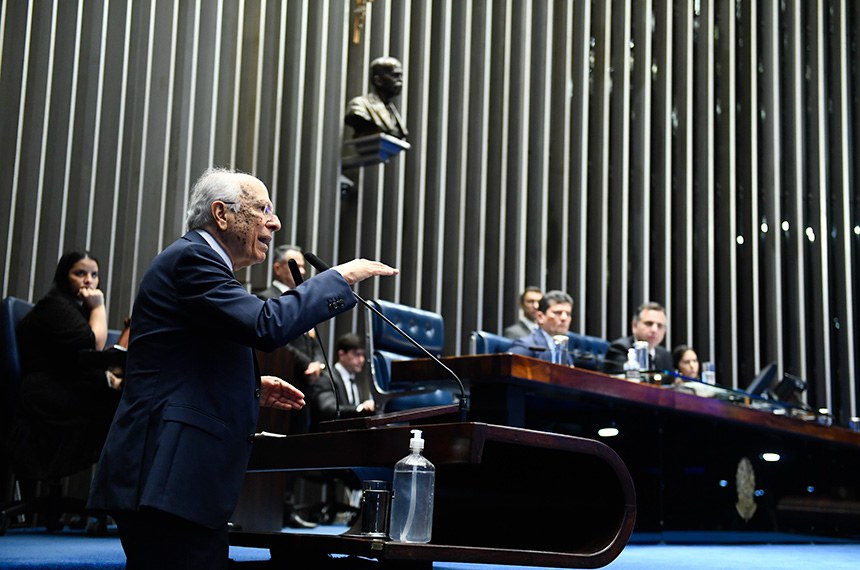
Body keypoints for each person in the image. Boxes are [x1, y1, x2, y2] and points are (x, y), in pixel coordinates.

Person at [86, 167, 398, 569]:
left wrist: (248, 383)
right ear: (222, 214)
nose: (275, 221)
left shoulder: (199, 262)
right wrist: (339, 276)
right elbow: (266, 324)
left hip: (174, 473)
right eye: (263, 208)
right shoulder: (193, 259)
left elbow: (184, 355)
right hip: (163, 472)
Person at [7, 251, 123, 486]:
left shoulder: (75, 310)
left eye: (94, 275)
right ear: (64, 277)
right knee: (124, 408)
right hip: (46, 394)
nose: (89, 280)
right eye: (80, 273)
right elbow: (94, 344)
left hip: (63, 386)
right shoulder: (55, 306)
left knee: (124, 401)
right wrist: (99, 306)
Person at [255, 244, 326, 430]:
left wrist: (318, 363)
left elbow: (315, 340)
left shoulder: (303, 300)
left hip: (308, 385)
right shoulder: (265, 299)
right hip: (282, 380)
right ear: (277, 268)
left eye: (303, 266)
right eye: (295, 265)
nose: (301, 271)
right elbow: (278, 341)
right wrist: (306, 363)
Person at [309, 332, 375, 428]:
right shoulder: (326, 378)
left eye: (363, 355)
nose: (361, 360)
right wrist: (360, 408)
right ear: (341, 354)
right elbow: (328, 409)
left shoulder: (356, 385)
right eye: (356, 354)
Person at [344, 56, 409, 139]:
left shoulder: (391, 110)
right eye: (395, 76)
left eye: (401, 76)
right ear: (378, 80)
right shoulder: (358, 105)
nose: (400, 80)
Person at [601, 301, 673, 374]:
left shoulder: (665, 355)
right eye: (649, 323)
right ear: (634, 326)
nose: (654, 330)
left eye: (660, 326)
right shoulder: (619, 349)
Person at [508, 290, 574, 365]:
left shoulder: (565, 350)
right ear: (540, 317)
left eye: (568, 314)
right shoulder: (526, 346)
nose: (564, 318)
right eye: (557, 313)